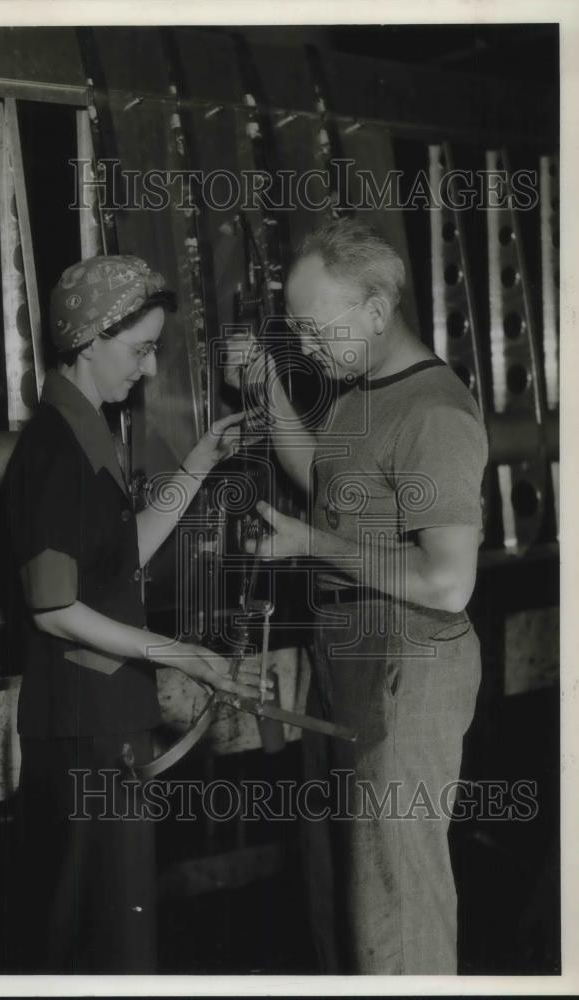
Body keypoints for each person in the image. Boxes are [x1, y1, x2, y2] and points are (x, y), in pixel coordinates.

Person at [224, 219, 488, 974]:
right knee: (338, 899)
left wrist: (312, 545)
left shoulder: (434, 412)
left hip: (406, 658)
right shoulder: (358, 394)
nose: (305, 342)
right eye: (295, 327)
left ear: (376, 311)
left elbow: (447, 580)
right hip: (343, 655)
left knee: (393, 906)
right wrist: (266, 387)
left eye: (316, 325)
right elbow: (326, 480)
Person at [3, 254, 267, 973]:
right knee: (104, 948)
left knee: (101, 938)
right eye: (140, 349)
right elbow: (54, 607)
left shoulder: (86, 434)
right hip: (88, 727)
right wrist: (181, 654)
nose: (149, 370)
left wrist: (200, 465)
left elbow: (120, 562)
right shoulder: (56, 451)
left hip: (101, 718)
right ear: (89, 341)